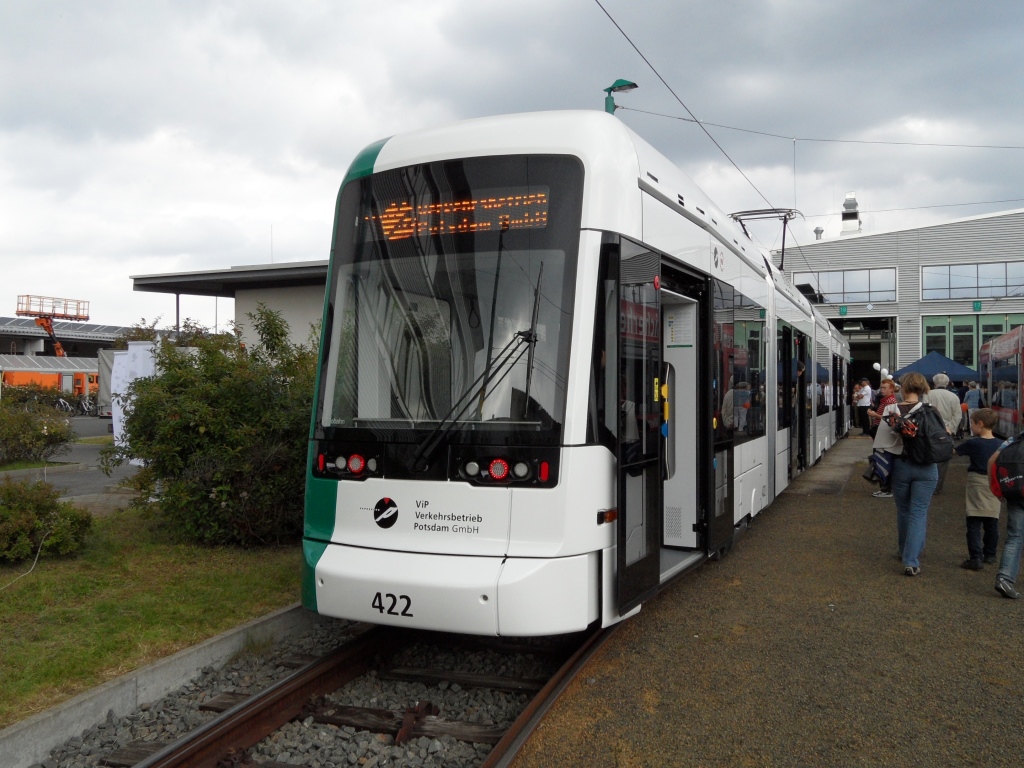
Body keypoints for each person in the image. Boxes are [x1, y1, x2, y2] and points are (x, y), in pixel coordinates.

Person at [883, 372, 939, 576]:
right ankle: (911, 559)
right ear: (923, 388)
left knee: (904, 511)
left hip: (901, 465)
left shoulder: (892, 409)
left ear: (903, 388)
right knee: (919, 512)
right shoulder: (932, 410)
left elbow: (882, 442)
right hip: (927, 466)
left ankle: (904, 550)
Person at [953, 409, 1002, 571]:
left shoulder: (973, 443)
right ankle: (990, 554)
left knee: (974, 521)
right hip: (994, 484)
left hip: (976, 482)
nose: (971, 427)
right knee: (992, 521)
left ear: (980, 424)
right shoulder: (1000, 444)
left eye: (972, 423)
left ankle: (975, 557)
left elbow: (953, 451)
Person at [988, 433, 1024, 599]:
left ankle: (1005, 578)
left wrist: (996, 488)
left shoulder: (1014, 440)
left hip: (1016, 492)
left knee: (1014, 537)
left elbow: (992, 461)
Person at [927, 373, 963, 494]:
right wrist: (951, 428)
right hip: (946, 431)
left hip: (930, 430)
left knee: (928, 457)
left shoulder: (928, 395)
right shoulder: (954, 397)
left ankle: (928, 484)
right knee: (942, 460)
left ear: (934, 383)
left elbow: (924, 412)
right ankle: (937, 486)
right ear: (947, 383)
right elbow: (958, 415)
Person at [867, 379, 899, 497]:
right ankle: (885, 487)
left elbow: (890, 419)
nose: (882, 389)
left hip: (883, 435)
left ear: (891, 389)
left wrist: (875, 415)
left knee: (882, 460)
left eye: (884, 387)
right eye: (881, 387)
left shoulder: (890, 401)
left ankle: (886, 488)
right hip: (880, 433)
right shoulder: (886, 400)